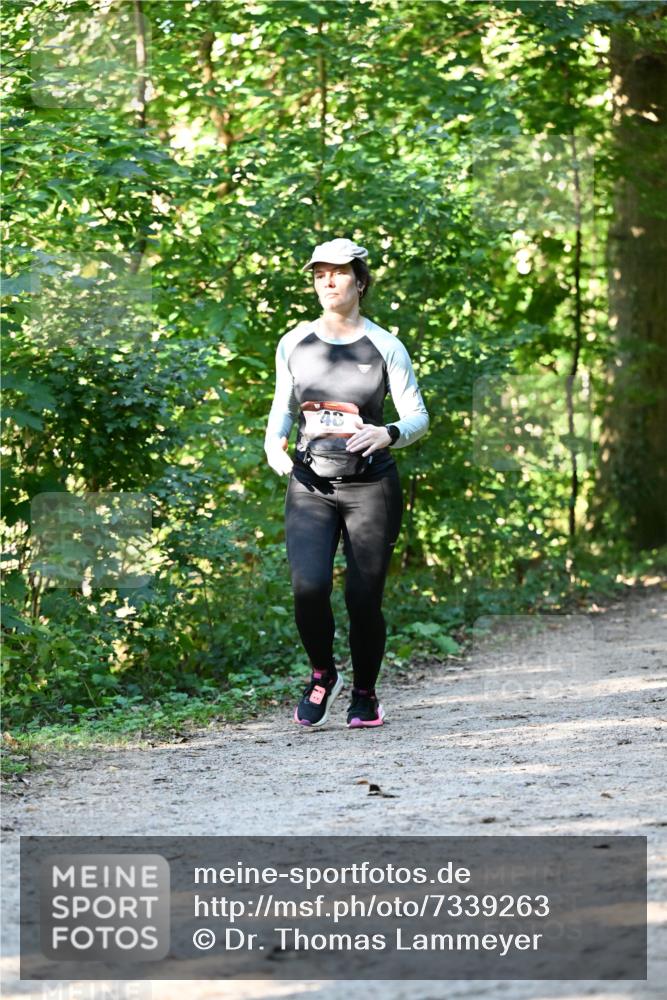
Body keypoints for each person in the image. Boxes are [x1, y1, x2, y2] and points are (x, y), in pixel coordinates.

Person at [264, 237, 429, 729]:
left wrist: (389, 433)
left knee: (363, 598)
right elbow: (283, 407)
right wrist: (274, 445)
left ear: (359, 281)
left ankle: (365, 694)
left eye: (338, 273)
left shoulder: (385, 345)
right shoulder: (294, 342)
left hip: (370, 488)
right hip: (311, 484)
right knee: (308, 587)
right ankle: (322, 674)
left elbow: (418, 416)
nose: (328, 282)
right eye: (319, 274)